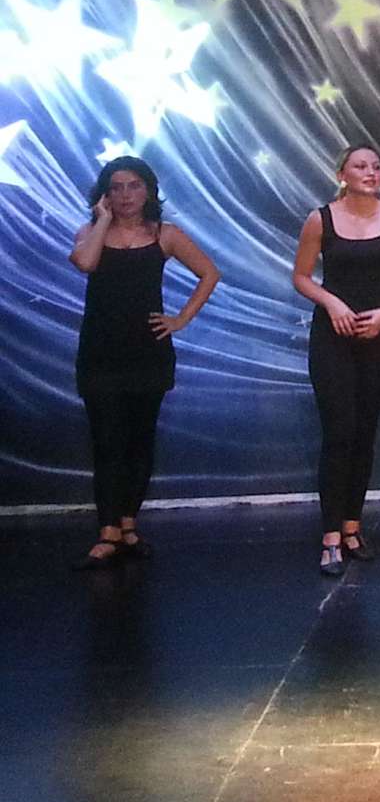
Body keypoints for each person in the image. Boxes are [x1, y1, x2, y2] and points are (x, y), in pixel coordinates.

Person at [67, 156, 219, 569]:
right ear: (104, 194)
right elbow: (85, 263)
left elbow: (209, 273)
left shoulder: (164, 234)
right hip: (100, 351)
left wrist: (180, 319)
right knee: (106, 441)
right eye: (116, 187)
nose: (125, 195)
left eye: (133, 186)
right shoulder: (90, 232)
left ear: (149, 190)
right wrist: (102, 220)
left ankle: (128, 524)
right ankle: (108, 532)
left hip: (148, 351)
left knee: (139, 440)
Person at [291, 145, 380, 576]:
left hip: (379, 334)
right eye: (361, 166)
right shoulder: (320, 219)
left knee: (365, 431)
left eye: (377, 166)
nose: (370, 172)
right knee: (339, 431)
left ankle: (352, 527)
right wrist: (332, 303)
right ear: (342, 174)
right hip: (334, 336)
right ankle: (330, 535)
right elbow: (301, 276)